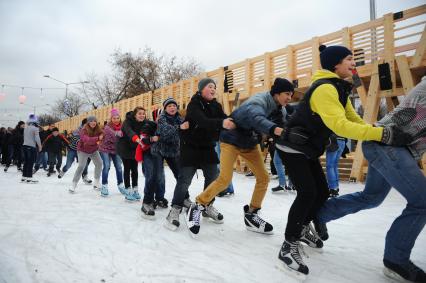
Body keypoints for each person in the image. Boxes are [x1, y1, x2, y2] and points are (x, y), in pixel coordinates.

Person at [275, 45, 412, 278]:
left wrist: (376, 129)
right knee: (308, 193)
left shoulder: (338, 88)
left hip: (306, 148)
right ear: (335, 64)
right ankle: (288, 245)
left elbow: (352, 119)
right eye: (349, 59)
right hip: (291, 148)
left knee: (321, 192)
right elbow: (340, 126)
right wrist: (382, 135)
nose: (354, 63)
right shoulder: (325, 89)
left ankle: (301, 228)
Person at [316, 76, 425, 283]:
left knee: (372, 197)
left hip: (394, 147)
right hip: (386, 143)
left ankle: (317, 215)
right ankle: (396, 260)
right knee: (422, 201)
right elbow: (341, 123)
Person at [185, 78, 293, 236]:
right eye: (287, 94)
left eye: (291, 94)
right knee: (225, 179)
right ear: (277, 93)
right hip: (231, 141)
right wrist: (276, 130)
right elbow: (257, 119)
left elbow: (284, 123)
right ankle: (199, 205)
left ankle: (252, 214)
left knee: (263, 177)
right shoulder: (258, 101)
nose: (290, 98)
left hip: (249, 143)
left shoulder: (280, 108)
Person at [166, 78, 234, 231]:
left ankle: (207, 206)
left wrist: (233, 121)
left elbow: (224, 119)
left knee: (213, 177)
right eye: (210, 86)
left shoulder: (216, 105)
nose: (213, 89)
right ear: (202, 89)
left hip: (207, 147)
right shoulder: (194, 104)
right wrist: (221, 124)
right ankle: (175, 209)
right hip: (189, 147)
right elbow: (202, 121)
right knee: (184, 181)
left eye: (214, 87)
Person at [117, 107, 155, 203]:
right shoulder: (127, 122)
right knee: (127, 168)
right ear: (135, 115)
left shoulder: (146, 122)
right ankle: (128, 191)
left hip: (136, 148)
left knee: (134, 169)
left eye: (143, 113)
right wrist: (136, 138)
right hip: (125, 147)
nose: (142, 115)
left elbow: (152, 128)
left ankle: (135, 189)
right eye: (139, 113)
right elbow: (129, 131)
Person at [151, 97, 183, 210]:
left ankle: (184, 198)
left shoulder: (180, 118)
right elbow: (166, 132)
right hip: (159, 149)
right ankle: (157, 198)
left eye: (174, 105)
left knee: (180, 175)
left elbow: (185, 133)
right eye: (169, 106)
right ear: (165, 108)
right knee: (159, 176)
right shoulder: (161, 118)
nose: (172, 107)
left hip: (172, 150)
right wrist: (179, 128)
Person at [69, 116, 103, 193]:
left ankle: (96, 182)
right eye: (91, 121)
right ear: (88, 122)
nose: (93, 122)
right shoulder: (83, 130)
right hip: (83, 150)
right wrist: (98, 138)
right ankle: (73, 184)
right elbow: (87, 140)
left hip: (93, 150)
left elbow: (103, 134)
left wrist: (102, 136)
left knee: (99, 163)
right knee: (81, 166)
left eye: (95, 121)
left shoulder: (98, 129)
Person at [98, 108, 125, 197]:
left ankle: (120, 185)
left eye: (118, 118)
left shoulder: (122, 126)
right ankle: (104, 186)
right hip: (105, 149)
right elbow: (114, 136)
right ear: (111, 119)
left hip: (115, 149)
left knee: (119, 167)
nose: (116, 120)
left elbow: (123, 136)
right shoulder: (107, 127)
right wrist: (121, 134)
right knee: (107, 166)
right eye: (114, 118)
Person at [58, 119, 92, 185]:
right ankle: (63, 171)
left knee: (85, 164)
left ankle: (85, 177)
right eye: (87, 124)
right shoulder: (77, 130)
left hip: (81, 150)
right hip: (72, 149)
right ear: (83, 124)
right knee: (68, 164)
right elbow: (76, 139)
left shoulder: (90, 131)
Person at [21, 114, 42, 183]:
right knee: (31, 162)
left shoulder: (25, 128)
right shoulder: (35, 129)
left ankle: (24, 177)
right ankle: (29, 177)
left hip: (24, 146)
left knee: (26, 162)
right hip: (31, 147)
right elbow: (37, 138)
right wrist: (40, 146)